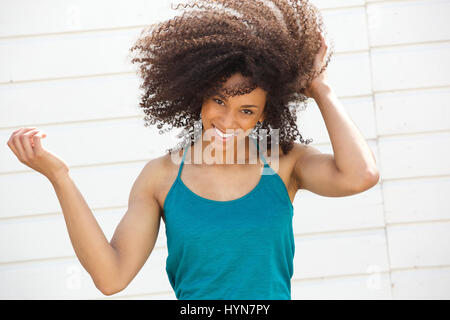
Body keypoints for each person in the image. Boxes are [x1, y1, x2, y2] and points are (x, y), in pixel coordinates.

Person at [6, 0, 379, 299]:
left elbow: (360, 176)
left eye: (247, 110)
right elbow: (111, 278)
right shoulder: (162, 177)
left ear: (267, 113)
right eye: (219, 100)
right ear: (198, 92)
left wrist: (320, 89)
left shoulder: (284, 161)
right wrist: (59, 176)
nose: (227, 120)